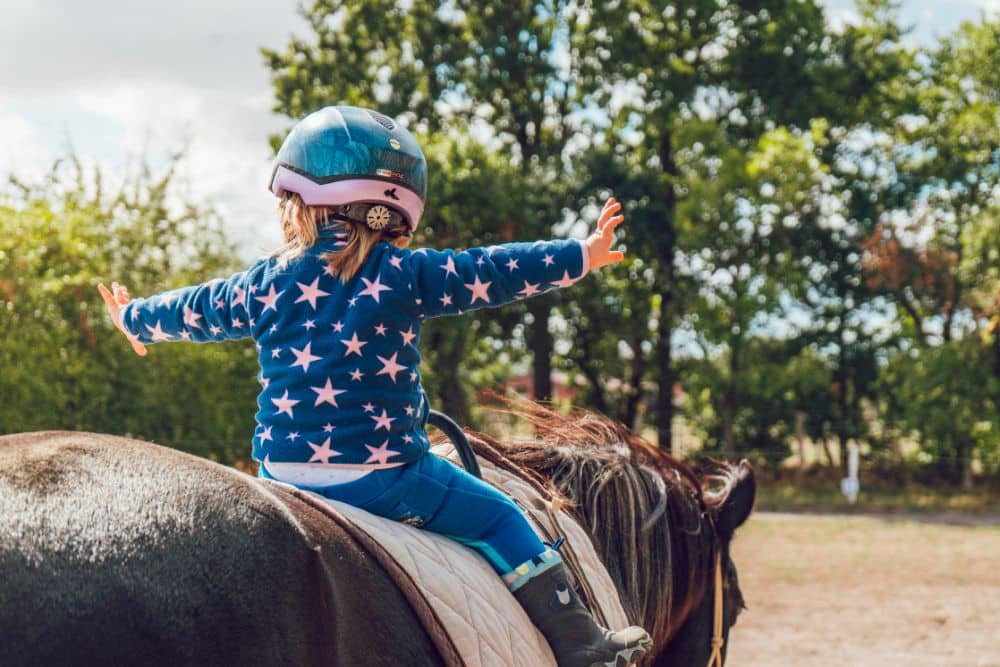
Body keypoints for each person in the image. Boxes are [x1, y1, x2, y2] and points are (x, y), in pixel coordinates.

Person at [99, 106, 651, 667]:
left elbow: (197, 306)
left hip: (281, 475)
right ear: (395, 211)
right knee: (501, 517)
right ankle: (585, 647)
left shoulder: (261, 283)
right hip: (383, 478)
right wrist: (581, 255)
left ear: (296, 203)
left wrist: (136, 319)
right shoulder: (403, 274)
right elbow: (492, 271)